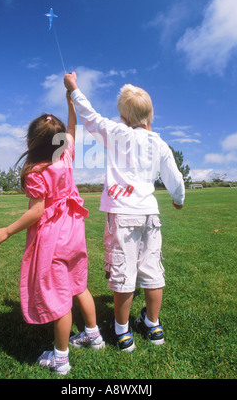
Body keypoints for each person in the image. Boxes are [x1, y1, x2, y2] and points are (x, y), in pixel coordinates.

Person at [64, 72, 185, 352]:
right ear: (150, 116)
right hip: (150, 216)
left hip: (122, 214)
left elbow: (90, 117)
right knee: (152, 271)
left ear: (124, 118)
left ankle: (122, 332)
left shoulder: (118, 133)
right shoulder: (160, 144)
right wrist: (178, 199)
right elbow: (175, 178)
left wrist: (74, 89)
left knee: (123, 272)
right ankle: (153, 325)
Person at [0, 91, 104, 375]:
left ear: (30, 143)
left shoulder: (36, 172)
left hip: (54, 239)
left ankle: (60, 358)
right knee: (78, 286)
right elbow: (72, 130)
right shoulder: (65, 155)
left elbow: (37, 211)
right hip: (75, 231)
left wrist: (7, 230)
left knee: (59, 298)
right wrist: (70, 105)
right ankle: (93, 334)